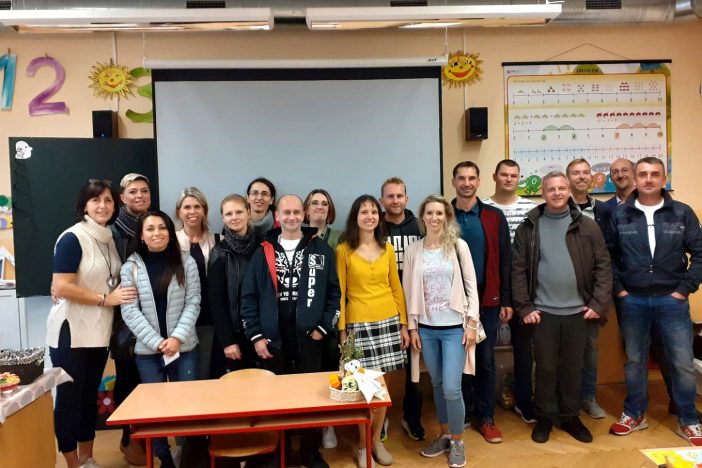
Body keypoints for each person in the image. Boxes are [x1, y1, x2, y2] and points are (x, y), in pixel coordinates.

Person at [512, 171, 612, 444]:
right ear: (542, 193)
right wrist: (524, 307)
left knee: (572, 368)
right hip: (542, 313)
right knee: (545, 368)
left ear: (568, 191)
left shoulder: (587, 226)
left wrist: (598, 303)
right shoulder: (529, 227)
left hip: (579, 312)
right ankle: (545, 417)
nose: (556, 193)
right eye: (551, 189)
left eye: (561, 188)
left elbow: (604, 266)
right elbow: (518, 270)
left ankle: (570, 416)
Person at [608, 157, 702, 446]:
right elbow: (608, 257)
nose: (648, 179)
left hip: (672, 299)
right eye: (643, 174)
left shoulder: (682, 213)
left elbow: (700, 253)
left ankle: (689, 419)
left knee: (682, 362)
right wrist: (620, 290)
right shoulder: (620, 215)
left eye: (654, 174)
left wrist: (684, 289)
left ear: (664, 178)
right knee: (635, 361)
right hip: (633, 299)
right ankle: (635, 413)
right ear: (635, 179)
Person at [241, 195, 340, 468]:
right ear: (277, 215)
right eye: (286, 212)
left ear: (304, 214)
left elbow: (334, 293)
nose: (292, 217)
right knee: (277, 399)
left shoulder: (320, 249)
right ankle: (279, 452)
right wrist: (256, 337)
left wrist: (323, 327)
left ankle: (309, 451)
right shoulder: (262, 251)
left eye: (297, 212)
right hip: (273, 341)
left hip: (310, 338)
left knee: (311, 398)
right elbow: (248, 297)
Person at [47, 179, 137, 468]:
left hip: (98, 334)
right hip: (71, 332)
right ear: (84, 205)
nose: (103, 205)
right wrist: (104, 299)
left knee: (88, 398)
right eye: (96, 200)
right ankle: (72, 461)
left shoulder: (108, 238)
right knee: (70, 400)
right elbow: (61, 286)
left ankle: (87, 458)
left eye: (108, 200)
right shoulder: (72, 237)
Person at [403, 194, 480, 468]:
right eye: (429, 213)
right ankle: (445, 435)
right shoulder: (414, 250)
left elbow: (471, 287)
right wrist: (412, 328)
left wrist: (472, 324)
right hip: (426, 329)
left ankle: (458, 442)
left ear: (447, 217)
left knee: (451, 388)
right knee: (436, 384)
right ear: (422, 217)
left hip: (454, 329)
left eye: (439, 213)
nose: (434, 218)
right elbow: (408, 292)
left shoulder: (458, 246)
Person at [120, 210, 201, 468]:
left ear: (170, 232)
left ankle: (185, 456)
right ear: (141, 236)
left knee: (185, 405)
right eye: (150, 229)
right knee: (154, 408)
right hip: (148, 351)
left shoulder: (186, 262)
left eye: (162, 228)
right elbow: (129, 310)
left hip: (184, 348)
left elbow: (193, 302)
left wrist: (176, 338)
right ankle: (163, 456)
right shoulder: (130, 268)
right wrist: (156, 342)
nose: (157, 233)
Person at [336, 194, 410, 468]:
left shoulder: (387, 248)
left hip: (388, 322)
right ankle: (363, 445)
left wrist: (404, 324)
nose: (369, 216)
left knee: (382, 393)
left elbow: (396, 288)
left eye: (373, 212)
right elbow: (340, 294)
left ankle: (376, 441)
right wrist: (342, 333)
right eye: (364, 212)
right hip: (358, 324)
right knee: (368, 392)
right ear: (355, 217)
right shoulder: (343, 250)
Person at [451, 161, 512, 443]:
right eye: (461, 178)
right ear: (454, 181)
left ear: (478, 181)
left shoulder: (493, 216)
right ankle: (463, 411)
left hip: (487, 300)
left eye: (471, 178)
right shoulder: (443, 215)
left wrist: (506, 298)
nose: (466, 183)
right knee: (458, 359)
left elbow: (505, 259)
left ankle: (486, 416)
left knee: (485, 359)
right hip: (452, 303)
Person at [483, 160, 538, 425]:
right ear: (494, 176)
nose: (508, 179)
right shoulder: (484, 208)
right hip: (492, 288)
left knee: (524, 350)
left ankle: (523, 400)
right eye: (503, 175)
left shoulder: (531, 210)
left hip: (524, 290)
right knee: (484, 351)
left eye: (513, 175)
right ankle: (484, 406)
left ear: (519, 178)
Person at [378, 177, 425, 442]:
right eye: (390, 196)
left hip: (416, 305)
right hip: (383, 305)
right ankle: (379, 420)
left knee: (414, 367)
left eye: (399, 196)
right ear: (382, 200)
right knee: (379, 367)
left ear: (407, 198)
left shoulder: (420, 226)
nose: (395, 201)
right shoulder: (374, 226)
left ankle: (412, 417)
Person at [110, 172, 151, 464]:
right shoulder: (111, 232)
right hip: (122, 318)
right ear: (122, 197)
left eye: (144, 191)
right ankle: (129, 437)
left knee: (150, 380)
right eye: (133, 191)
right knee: (127, 377)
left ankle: (148, 437)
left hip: (154, 315)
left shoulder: (155, 225)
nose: (139, 195)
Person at [565, 158, 611, 420]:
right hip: (561, 293)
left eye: (585, 172)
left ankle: (588, 397)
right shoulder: (556, 207)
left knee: (589, 349)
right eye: (575, 173)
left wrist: (600, 298)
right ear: (567, 177)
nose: (581, 177)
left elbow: (607, 256)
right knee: (559, 350)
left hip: (592, 294)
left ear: (592, 177)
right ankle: (564, 398)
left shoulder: (603, 211)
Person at [304, 188, 343, 449]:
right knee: (306, 373)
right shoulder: (295, 235)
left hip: (331, 314)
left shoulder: (339, 238)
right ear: (306, 209)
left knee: (329, 370)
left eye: (324, 203)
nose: (319, 207)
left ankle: (328, 424)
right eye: (314, 203)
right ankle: (308, 424)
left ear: (330, 210)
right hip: (303, 317)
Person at [209, 194, 259, 372]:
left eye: (239, 212)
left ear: (249, 213)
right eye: (229, 214)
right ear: (223, 218)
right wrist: (227, 341)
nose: (234, 217)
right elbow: (216, 302)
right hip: (234, 335)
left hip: (261, 332)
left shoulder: (263, 247)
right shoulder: (219, 253)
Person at [175, 186, 220, 379]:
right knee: (184, 375)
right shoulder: (170, 242)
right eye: (187, 207)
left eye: (197, 206)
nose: (192, 211)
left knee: (206, 372)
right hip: (178, 319)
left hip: (209, 318)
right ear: (179, 212)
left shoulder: (218, 240)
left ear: (204, 211)